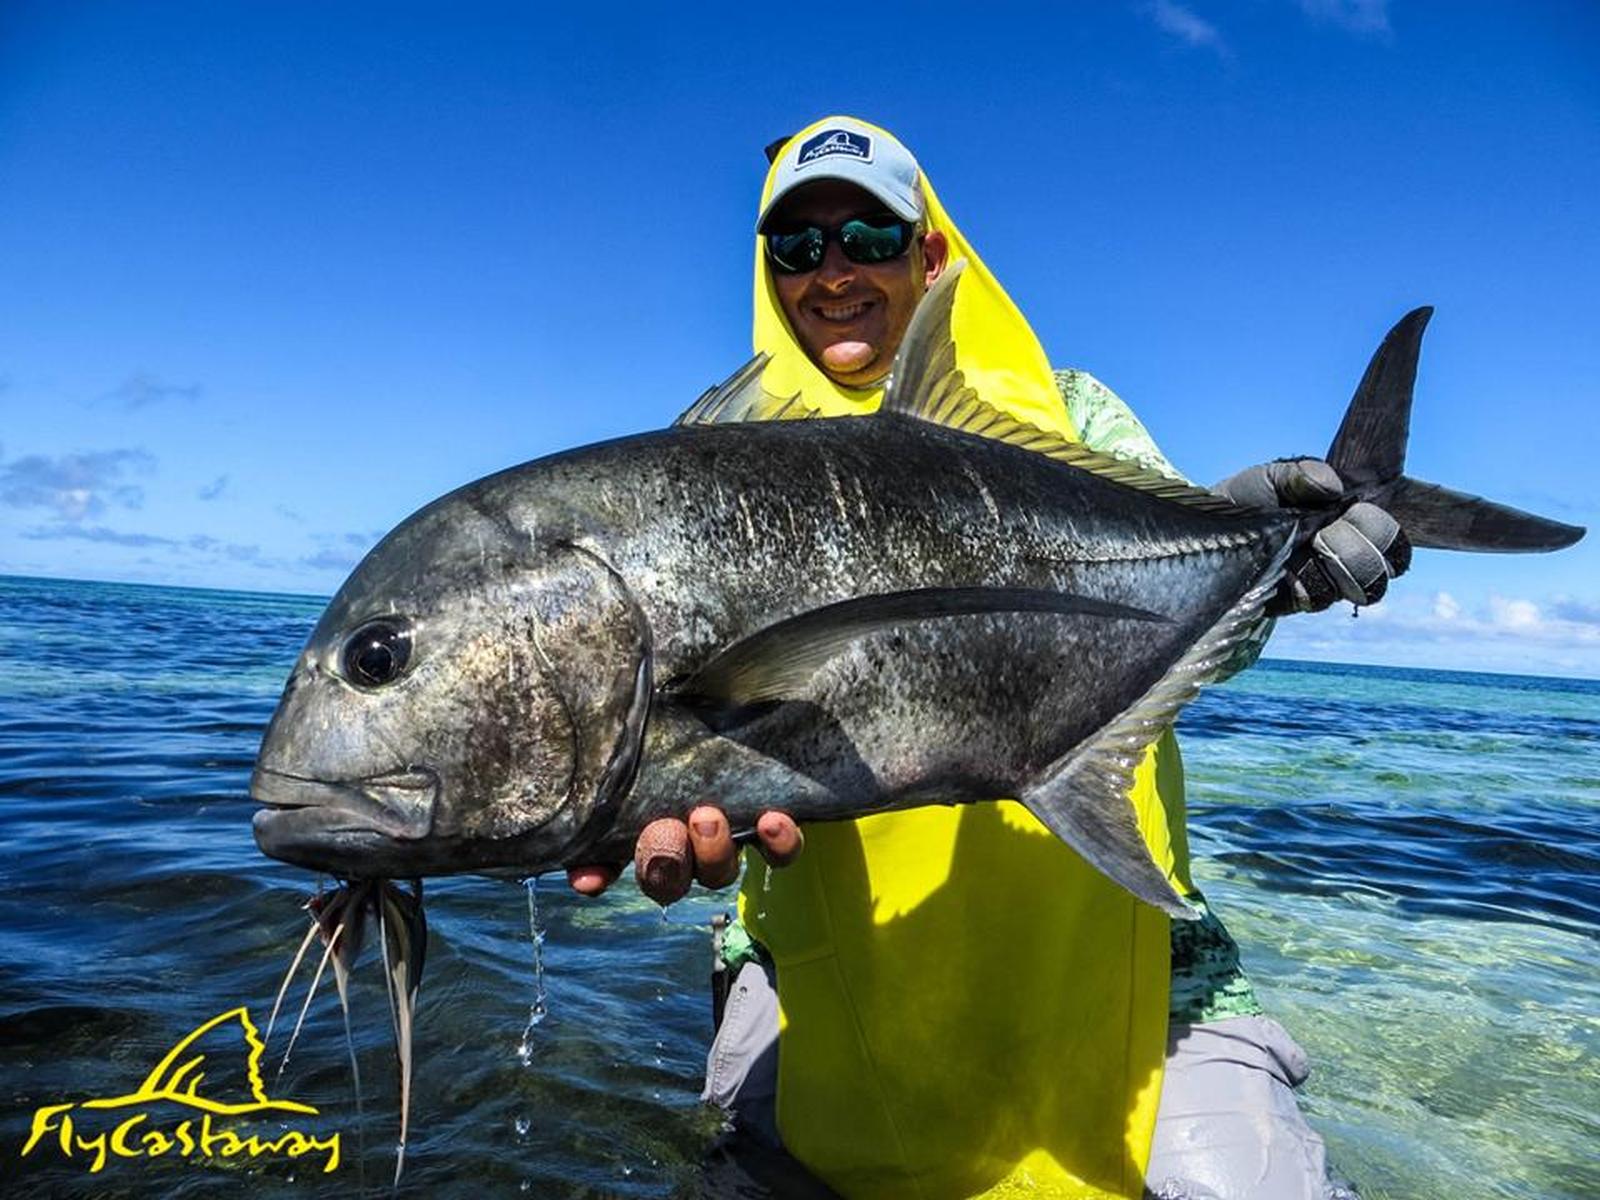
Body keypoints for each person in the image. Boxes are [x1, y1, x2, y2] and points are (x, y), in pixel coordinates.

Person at [571, 116, 1401, 1200]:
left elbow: (1188, 635)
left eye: (869, 235)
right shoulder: (708, 474)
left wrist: (1274, 569)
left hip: (1132, 974)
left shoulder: (1072, 414)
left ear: (929, 255)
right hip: (821, 979)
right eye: (799, 245)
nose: (833, 272)